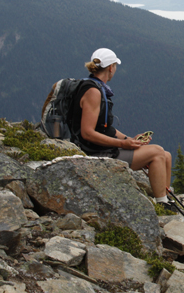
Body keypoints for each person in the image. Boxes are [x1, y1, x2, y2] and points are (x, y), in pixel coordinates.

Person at [70, 48, 176, 211]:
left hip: (101, 148)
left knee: (166, 156)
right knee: (157, 152)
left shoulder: (97, 88)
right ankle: (162, 205)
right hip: (95, 153)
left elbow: (105, 128)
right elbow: (87, 132)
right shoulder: (93, 91)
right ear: (111, 67)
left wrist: (130, 140)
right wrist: (122, 144)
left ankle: (165, 195)